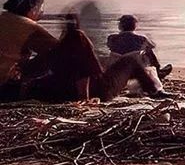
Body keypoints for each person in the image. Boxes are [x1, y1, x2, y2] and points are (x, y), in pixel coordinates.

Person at [26, 12, 166, 102]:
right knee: (130, 62)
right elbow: (87, 73)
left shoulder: (54, 50)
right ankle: (154, 89)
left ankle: (154, 81)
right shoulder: (79, 39)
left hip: (65, 91)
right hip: (99, 90)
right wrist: (84, 98)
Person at [0, 0, 57, 100]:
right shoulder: (27, 26)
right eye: (41, 8)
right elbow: (58, 49)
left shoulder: (4, 19)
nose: (41, 12)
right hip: (5, 83)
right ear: (33, 8)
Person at [107, 15, 172, 80]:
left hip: (115, 71)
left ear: (120, 26)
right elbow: (153, 45)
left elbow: (110, 46)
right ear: (135, 26)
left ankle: (158, 71)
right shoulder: (142, 39)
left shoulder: (111, 38)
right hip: (135, 72)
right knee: (148, 50)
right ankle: (158, 71)